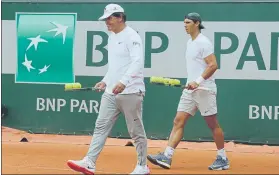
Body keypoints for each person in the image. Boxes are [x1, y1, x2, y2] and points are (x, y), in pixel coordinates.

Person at [67, 3, 150, 175]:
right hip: (111, 92)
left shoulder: (132, 36)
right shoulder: (112, 36)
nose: (107, 22)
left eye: (110, 18)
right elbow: (115, 65)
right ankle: (89, 162)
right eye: (105, 19)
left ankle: (142, 166)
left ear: (120, 17)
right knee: (100, 126)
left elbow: (137, 62)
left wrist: (124, 81)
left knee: (136, 131)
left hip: (131, 92)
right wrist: (106, 80)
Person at [147, 12, 230, 171]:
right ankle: (167, 155)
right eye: (184, 23)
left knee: (212, 124)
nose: (185, 25)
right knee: (178, 121)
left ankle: (223, 158)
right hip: (190, 90)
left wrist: (197, 81)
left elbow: (213, 65)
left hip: (204, 89)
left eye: (188, 22)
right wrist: (191, 83)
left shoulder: (203, 42)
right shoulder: (190, 42)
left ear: (197, 23)